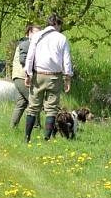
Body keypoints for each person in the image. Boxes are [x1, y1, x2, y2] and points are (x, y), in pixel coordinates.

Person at [23, 13, 73, 143]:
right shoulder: (62, 38)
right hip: (54, 77)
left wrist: (28, 74)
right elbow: (66, 61)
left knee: (33, 107)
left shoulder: (37, 36)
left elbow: (30, 57)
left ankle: (27, 137)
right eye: (60, 25)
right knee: (51, 108)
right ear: (56, 24)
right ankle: (46, 137)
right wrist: (68, 78)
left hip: (38, 75)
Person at [11, 23, 42, 128]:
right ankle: (37, 127)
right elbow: (23, 60)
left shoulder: (28, 43)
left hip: (20, 76)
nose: (38, 35)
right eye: (35, 33)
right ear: (29, 33)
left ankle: (13, 126)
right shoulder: (26, 44)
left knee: (21, 103)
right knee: (34, 101)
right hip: (22, 77)